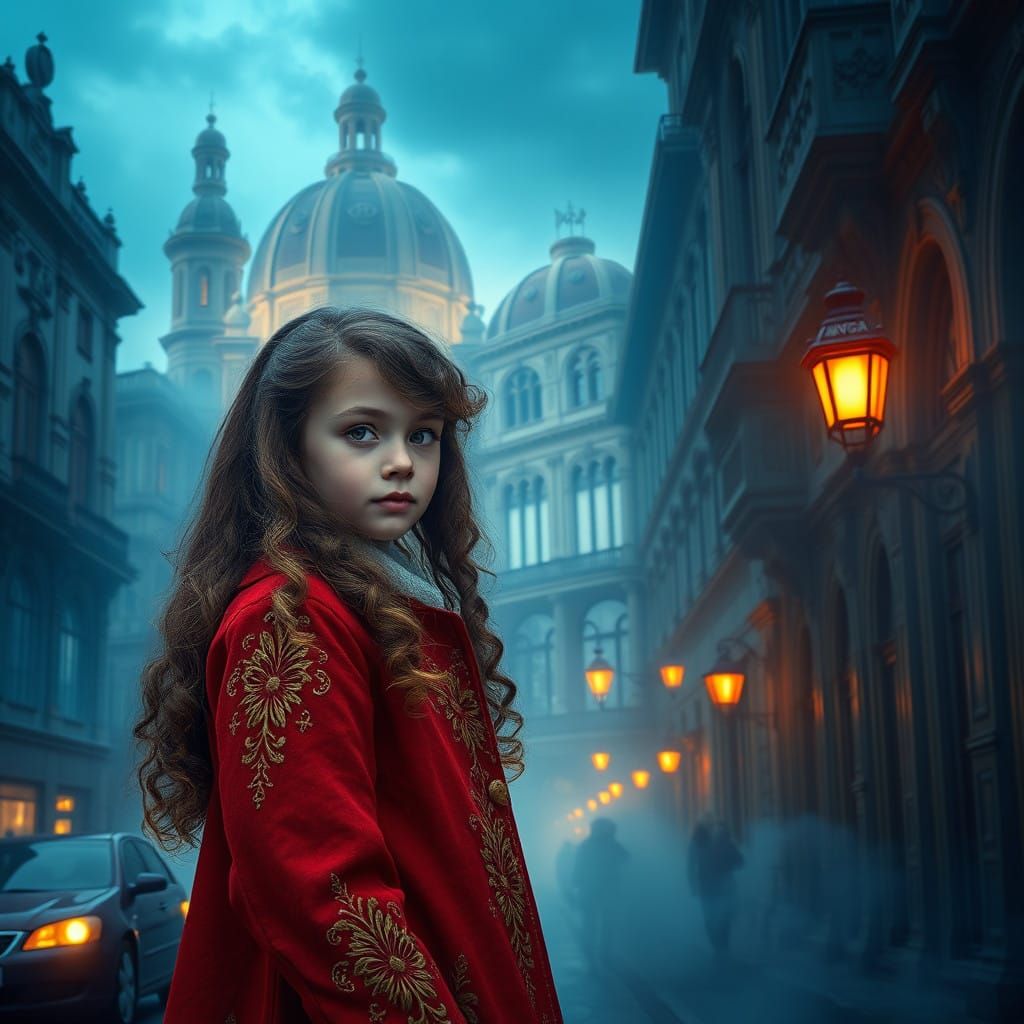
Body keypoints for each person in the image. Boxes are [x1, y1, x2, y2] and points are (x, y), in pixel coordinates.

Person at [134, 307, 564, 1024]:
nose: (401, 460)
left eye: (423, 434)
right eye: (362, 431)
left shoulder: (383, 598)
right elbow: (318, 890)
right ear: (289, 447)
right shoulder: (290, 617)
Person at [570, 818, 630, 972]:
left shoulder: (586, 845)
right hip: (607, 891)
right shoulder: (611, 844)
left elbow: (577, 868)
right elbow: (626, 857)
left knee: (591, 925)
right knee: (606, 924)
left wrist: (575, 886)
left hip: (590, 891)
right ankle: (604, 954)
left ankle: (592, 957)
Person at [688, 815, 743, 956]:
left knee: (713, 919)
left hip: (710, 888)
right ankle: (722, 947)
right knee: (722, 918)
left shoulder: (700, 842)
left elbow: (690, 866)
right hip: (721, 888)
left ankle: (719, 947)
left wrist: (693, 884)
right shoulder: (716, 842)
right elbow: (740, 862)